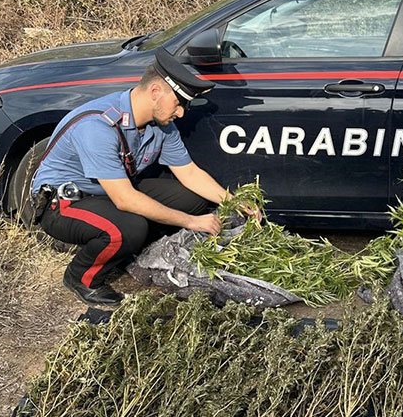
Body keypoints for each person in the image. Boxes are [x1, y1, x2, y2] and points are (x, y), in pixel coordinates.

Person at [31, 48, 249, 306]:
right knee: (128, 229)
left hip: (111, 190)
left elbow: (189, 173)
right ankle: (82, 277)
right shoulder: (98, 127)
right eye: (179, 103)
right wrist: (192, 222)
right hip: (67, 204)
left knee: (191, 198)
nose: (181, 113)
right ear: (155, 92)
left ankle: (134, 250)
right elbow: (125, 200)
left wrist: (231, 201)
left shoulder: (161, 125)